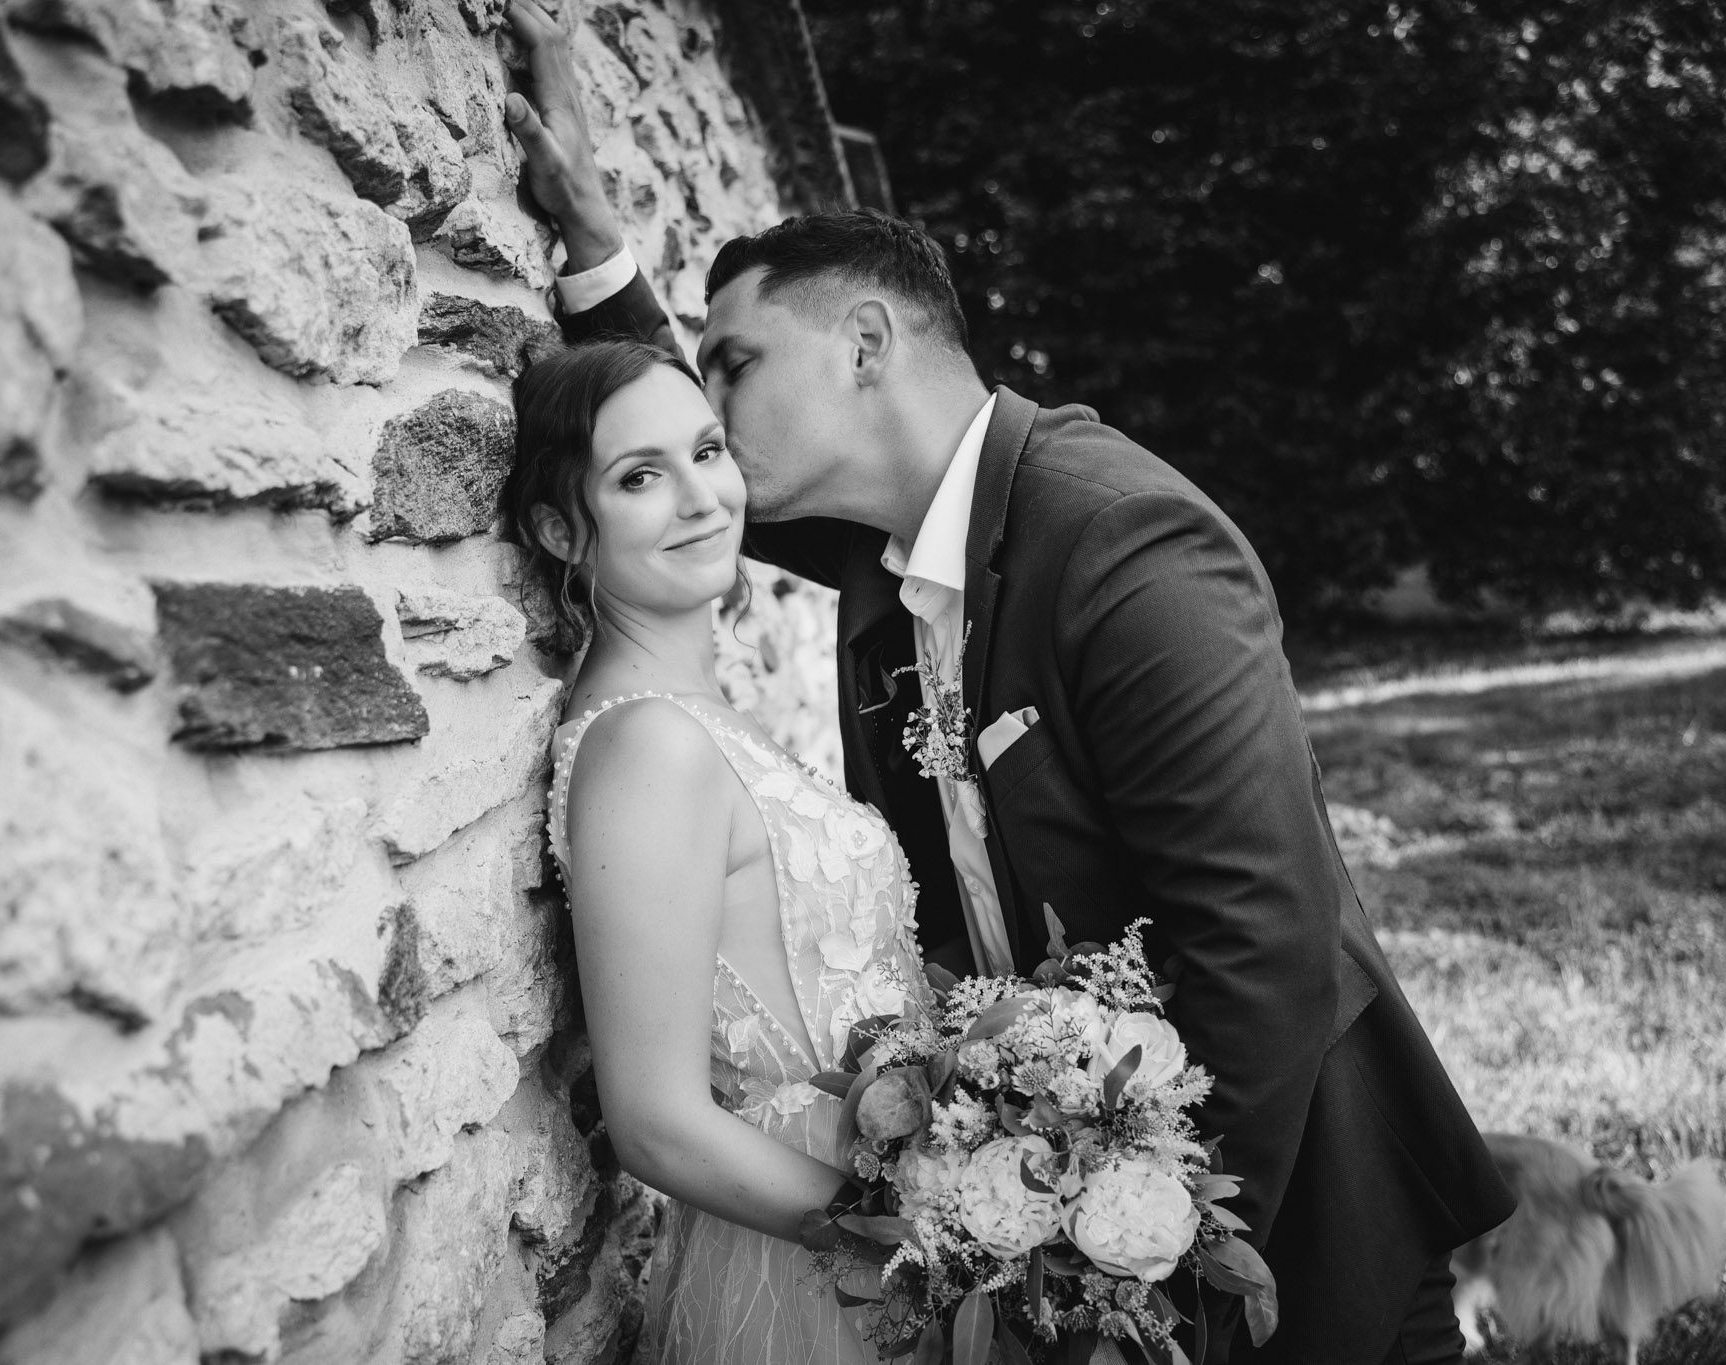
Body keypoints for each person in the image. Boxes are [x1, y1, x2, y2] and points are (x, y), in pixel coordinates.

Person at [499, 4, 1517, 1363]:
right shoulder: (884, 541)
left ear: (865, 346)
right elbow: (662, 467)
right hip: (1045, 1224)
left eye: (733, 368)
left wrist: (1146, 1280)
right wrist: (592, 246)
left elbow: (1259, 943)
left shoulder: (1122, 545)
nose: (714, 432)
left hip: (1289, 1215)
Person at [508, 338, 932, 1364]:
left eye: (706, 451)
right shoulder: (648, 747)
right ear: (561, 529)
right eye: (639, 477)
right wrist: (927, 1245)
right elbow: (655, 1123)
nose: (700, 499)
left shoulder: (698, 714)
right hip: (824, 1268)